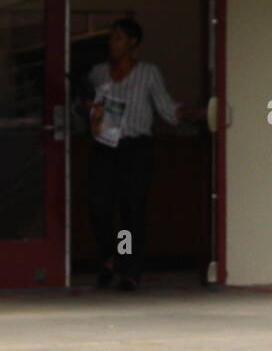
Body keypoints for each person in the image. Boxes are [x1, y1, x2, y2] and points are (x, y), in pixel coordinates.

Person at [85, 18, 203, 291]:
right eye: (111, 37)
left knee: (131, 210)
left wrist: (191, 114)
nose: (112, 43)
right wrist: (87, 109)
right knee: (99, 207)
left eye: (118, 38)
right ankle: (108, 257)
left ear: (133, 43)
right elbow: (83, 106)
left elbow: (166, 108)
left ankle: (129, 269)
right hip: (104, 146)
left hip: (134, 147)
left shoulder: (148, 73)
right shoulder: (98, 73)